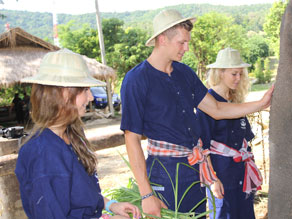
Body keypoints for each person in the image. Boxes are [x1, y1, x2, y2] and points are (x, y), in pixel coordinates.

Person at [120, 9, 274, 218]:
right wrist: (146, 194)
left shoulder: (184, 73)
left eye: (188, 42)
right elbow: (132, 138)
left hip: (194, 169)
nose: (187, 48)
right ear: (162, 39)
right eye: (182, 43)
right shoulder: (136, 80)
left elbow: (217, 109)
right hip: (165, 173)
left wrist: (261, 103)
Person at [15, 49, 141, 219]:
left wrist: (111, 205)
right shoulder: (44, 154)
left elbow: (80, 193)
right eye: (85, 90)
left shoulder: (70, 134)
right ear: (64, 93)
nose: (90, 97)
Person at [197, 47, 263, 219]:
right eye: (234, 74)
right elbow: (202, 146)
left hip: (241, 173)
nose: (238, 78)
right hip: (222, 176)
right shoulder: (207, 103)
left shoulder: (235, 103)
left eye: (240, 74)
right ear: (220, 73)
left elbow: (245, 140)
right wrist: (212, 180)